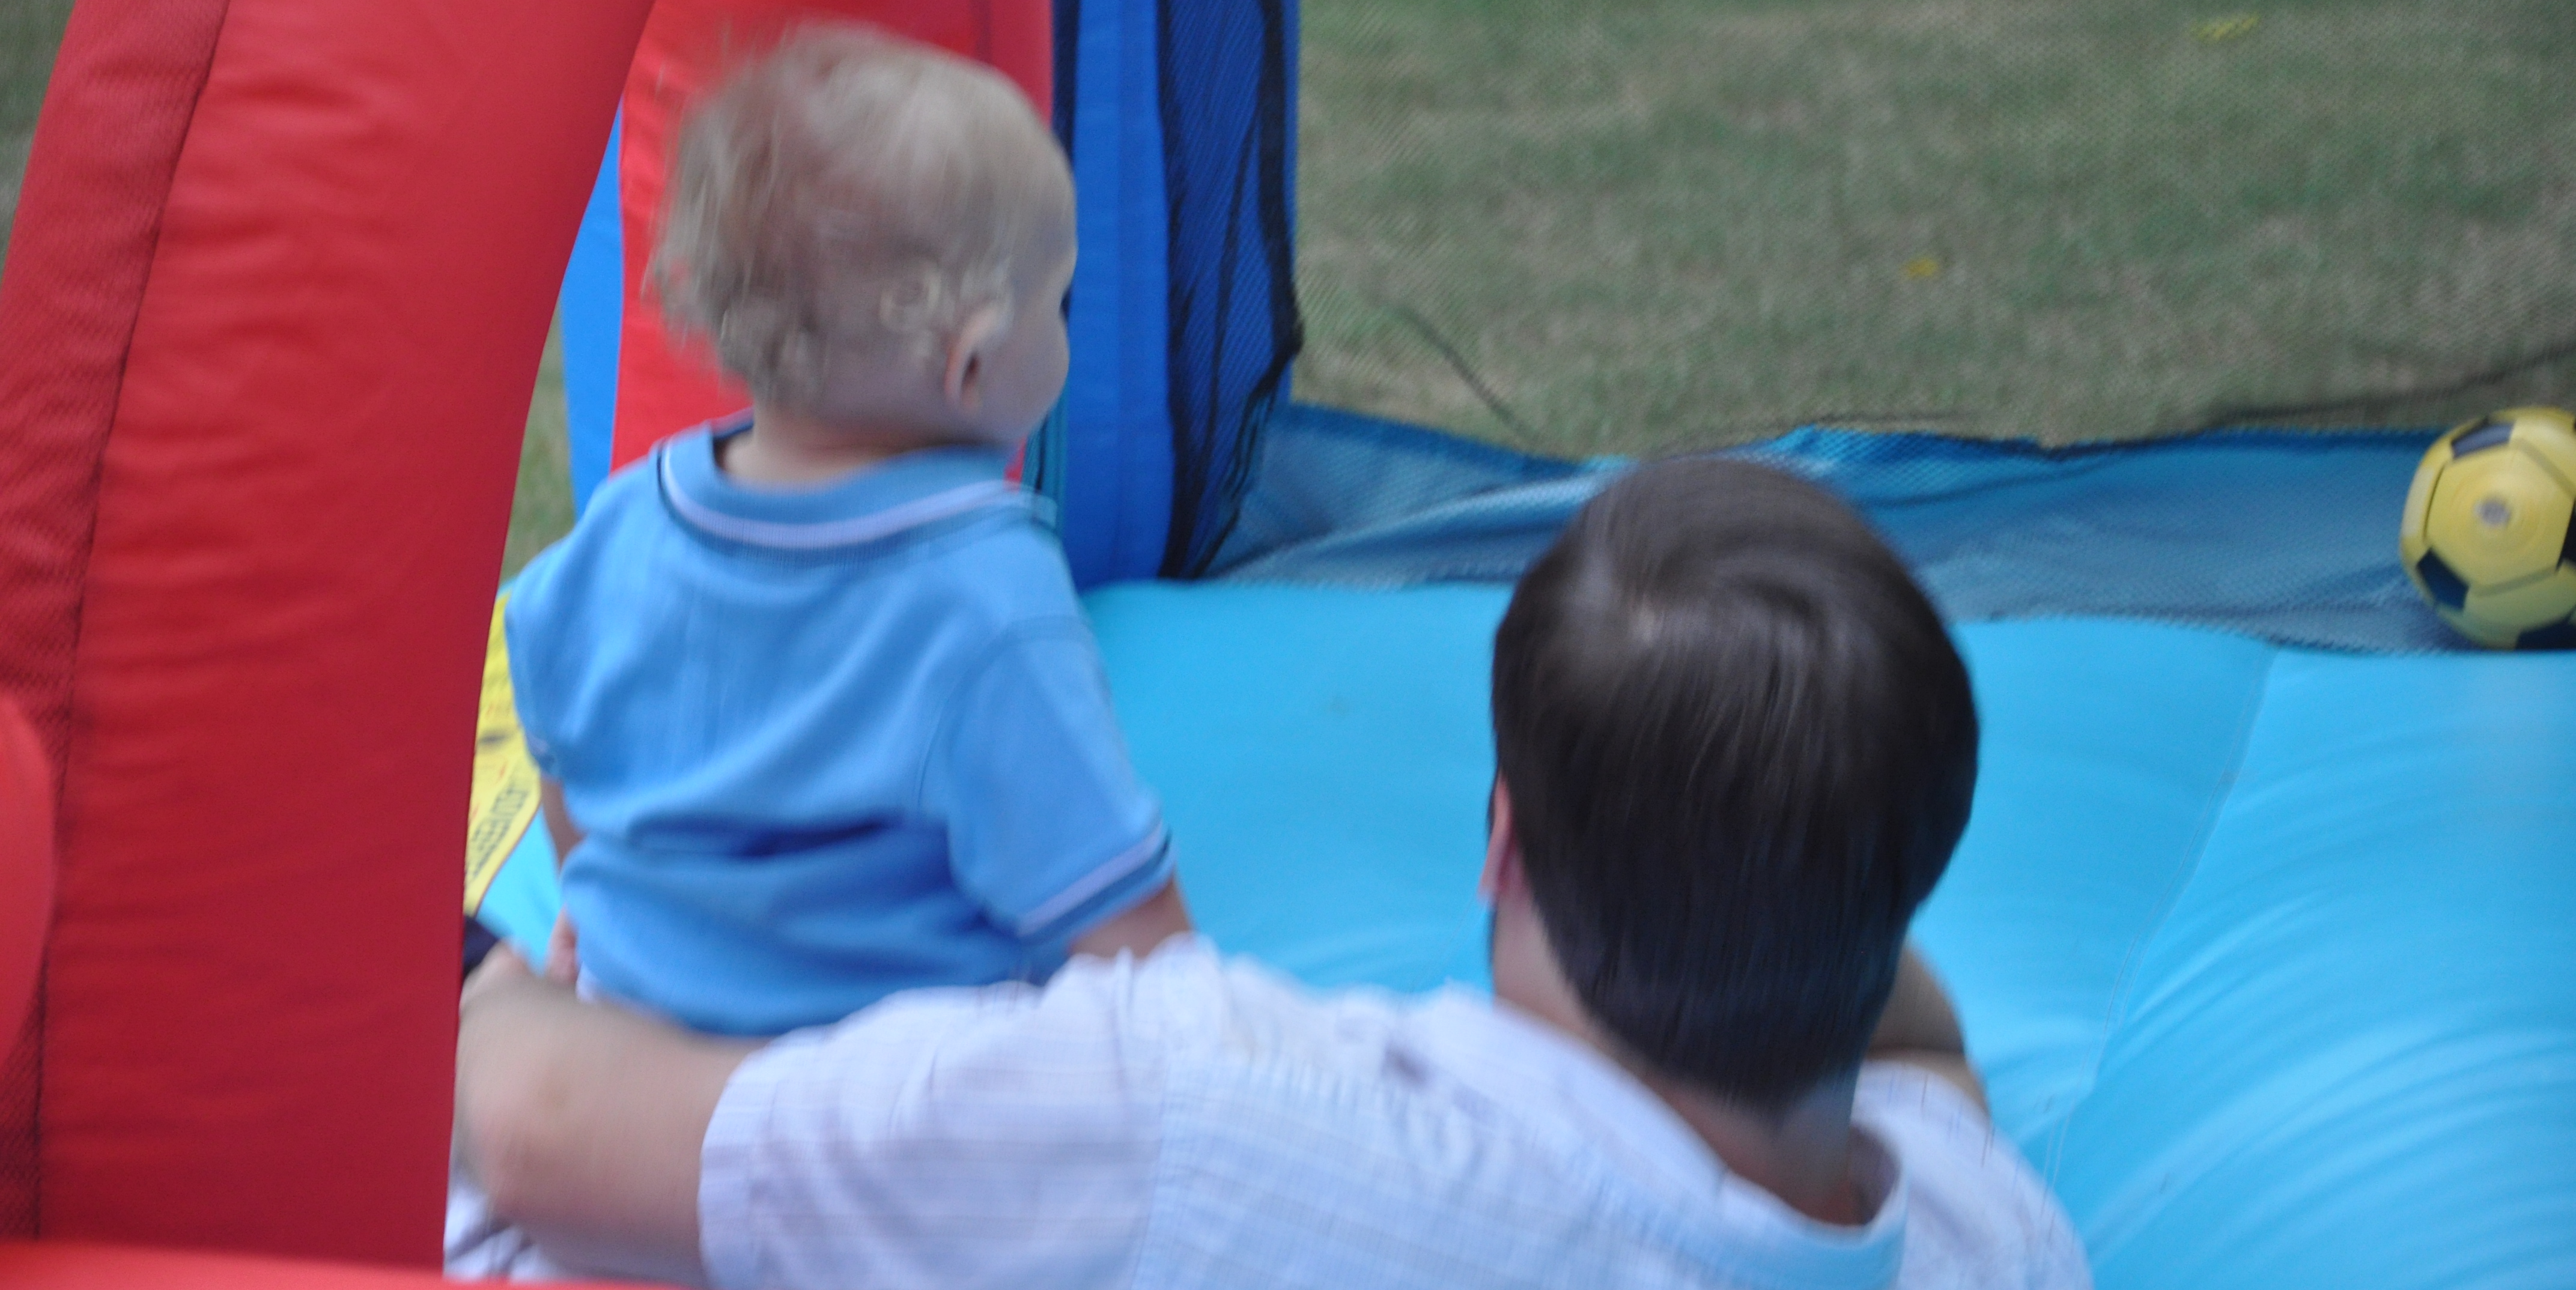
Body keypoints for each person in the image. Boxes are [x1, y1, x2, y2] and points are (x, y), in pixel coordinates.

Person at [452, 456, 2091, 1289]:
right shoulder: (1990, 1239)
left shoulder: (1202, 1107)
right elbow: (1922, 1061)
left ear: (1502, 843)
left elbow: (540, 1132)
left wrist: (492, 983)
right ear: (1901, 885)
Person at [501, 23, 1190, 1041]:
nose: (1067, 330)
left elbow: (566, 769)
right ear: (971, 365)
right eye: (1059, 302)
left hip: (634, 1064)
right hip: (869, 1094)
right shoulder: (987, 598)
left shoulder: (622, 527)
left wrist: (605, 924)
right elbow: (1133, 937)